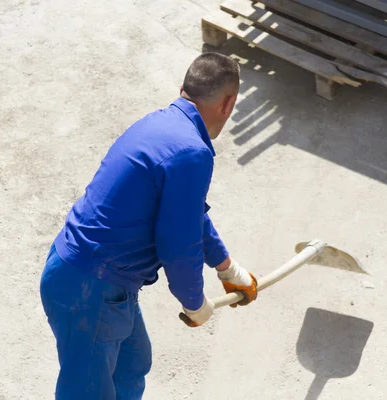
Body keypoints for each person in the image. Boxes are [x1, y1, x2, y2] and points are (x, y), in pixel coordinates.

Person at [39, 52, 259, 400]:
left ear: (183, 89)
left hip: (90, 279)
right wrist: (194, 302)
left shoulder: (160, 125)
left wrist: (227, 268)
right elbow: (178, 242)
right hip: (90, 288)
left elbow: (188, 215)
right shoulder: (191, 152)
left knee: (132, 364)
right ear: (229, 103)